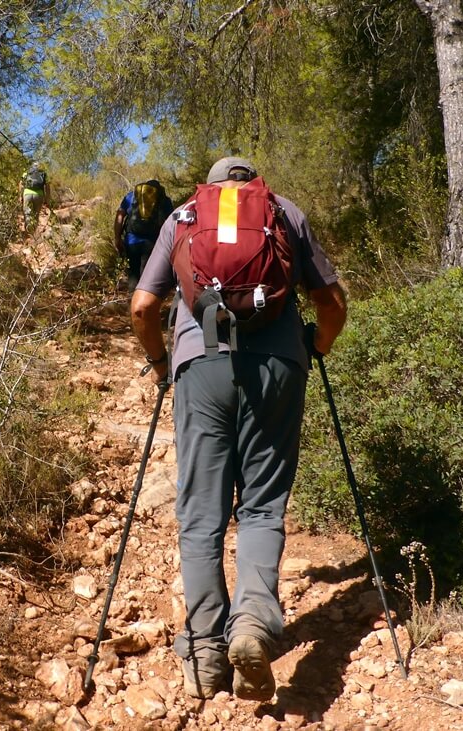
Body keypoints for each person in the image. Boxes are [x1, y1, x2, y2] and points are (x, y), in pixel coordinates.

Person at [129, 157, 348, 702]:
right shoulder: (284, 213)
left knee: (201, 514)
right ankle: (251, 625)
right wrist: (311, 348)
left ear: (211, 185)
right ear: (252, 184)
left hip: (200, 367)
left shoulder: (181, 218)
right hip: (277, 368)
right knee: (262, 507)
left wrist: (162, 366)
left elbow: (143, 307)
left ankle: (206, 655)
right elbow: (333, 304)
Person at [114, 179, 174, 290]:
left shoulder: (131, 196)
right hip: (153, 242)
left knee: (133, 273)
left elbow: (120, 215)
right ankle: (145, 301)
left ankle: (133, 301)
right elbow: (171, 222)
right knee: (147, 276)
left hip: (131, 241)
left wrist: (117, 238)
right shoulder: (164, 200)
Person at [20, 163, 48, 233]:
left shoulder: (26, 173)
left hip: (27, 194)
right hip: (39, 195)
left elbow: (21, 184)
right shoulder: (43, 174)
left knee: (27, 213)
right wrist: (47, 198)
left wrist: (20, 196)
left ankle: (27, 231)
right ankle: (34, 233)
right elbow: (47, 187)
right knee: (36, 214)